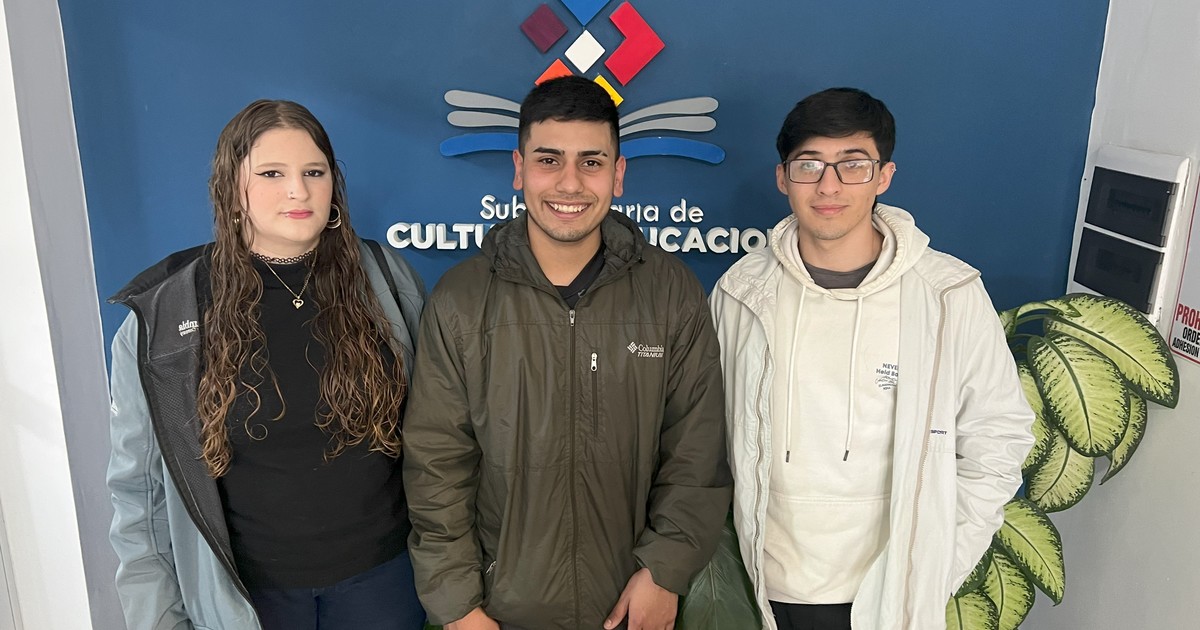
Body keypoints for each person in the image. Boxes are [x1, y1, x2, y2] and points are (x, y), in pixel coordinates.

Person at [402, 75, 732, 630]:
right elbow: (437, 464)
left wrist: (665, 572)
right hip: (498, 612)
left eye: (591, 162)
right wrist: (458, 606)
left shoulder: (671, 292)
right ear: (519, 169)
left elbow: (695, 453)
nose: (570, 183)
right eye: (549, 160)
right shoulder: (462, 299)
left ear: (618, 174)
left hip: (634, 605)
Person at [709, 88, 1035, 630]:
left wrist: (936, 565)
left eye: (853, 165)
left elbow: (998, 437)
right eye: (809, 165)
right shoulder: (741, 291)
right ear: (783, 178)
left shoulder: (947, 293)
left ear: (884, 176)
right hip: (764, 584)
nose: (829, 185)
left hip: (888, 594)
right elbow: (706, 434)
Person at [107, 99, 427, 630]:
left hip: (386, 586)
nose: (298, 191)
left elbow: (441, 440)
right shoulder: (163, 316)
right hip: (248, 600)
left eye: (314, 172)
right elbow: (138, 497)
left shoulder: (387, 281)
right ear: (233, 189)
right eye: (272, 174)